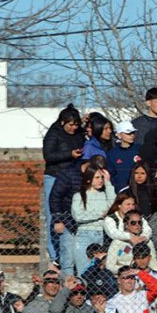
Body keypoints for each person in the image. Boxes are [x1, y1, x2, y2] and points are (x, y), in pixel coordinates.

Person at [43, 104, 84, 262]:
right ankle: (55, 254)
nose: (74, 128)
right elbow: (48, 156)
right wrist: (70, 154)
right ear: (62, 123)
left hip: (72, 177)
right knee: (53, 214)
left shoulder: (78, 133)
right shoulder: (53, 134)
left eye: (76, 125)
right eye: (70, 125)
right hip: (54, 176)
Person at [70, 167, 116, 275]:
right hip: (83, 234)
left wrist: (108, 182)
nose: (100, 180)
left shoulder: (103, 195)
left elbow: (113, 204)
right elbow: (78, 216)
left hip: (99, 233)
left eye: (101, 177)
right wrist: (100, 214)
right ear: (88, 179)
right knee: (83, 270)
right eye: (97, 177)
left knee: (95, 271)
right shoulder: (78, 196)